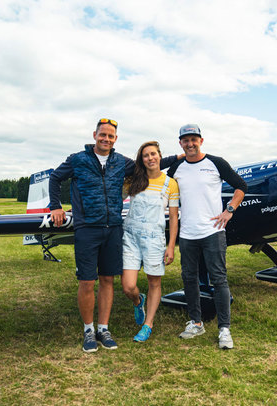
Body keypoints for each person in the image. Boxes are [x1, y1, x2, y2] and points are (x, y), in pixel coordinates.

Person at [49, 119, 179, 353]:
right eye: (102, 135)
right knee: (87, 281)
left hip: (113, 229)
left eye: (110, 136)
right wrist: (55, 206)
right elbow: (55, 178)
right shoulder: (77, 159)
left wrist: (179, 158)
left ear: (115, 139)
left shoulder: (121, 162)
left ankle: (103, 328)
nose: (106, 139)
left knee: (108, 280)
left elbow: (149, 164)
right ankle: (88, 330)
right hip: (87, 228)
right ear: (94, 135)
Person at [166, 124, 247, 350]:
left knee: (219, 278)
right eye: (185, 140)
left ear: (201, 140)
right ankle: (196, 323)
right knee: (189, 278)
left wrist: (229, 211)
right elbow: (157, 177)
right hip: (188, 233)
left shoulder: (216, 162)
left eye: (194, 139)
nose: (190, 144)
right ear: (180, 143)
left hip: (213, 232)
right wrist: (174, 157)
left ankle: (224, 329)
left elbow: (241, 186)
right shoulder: (177, 167)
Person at [121, 141, 179, 343]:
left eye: (153, 154)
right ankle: (138, 300)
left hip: (154, 239)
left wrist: (170, 246)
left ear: (160, 156)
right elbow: (112, 198)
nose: (150, 158)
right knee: (128, 286)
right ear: (141, 160)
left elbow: (173, 218)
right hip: (131, 237)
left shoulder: (170, 184)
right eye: (146, 155)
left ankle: (148, 324)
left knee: (154, 281)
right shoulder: (133, 181)